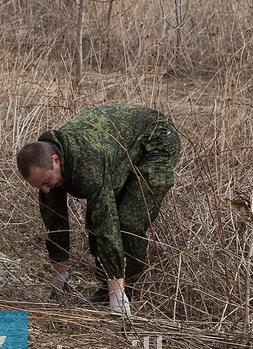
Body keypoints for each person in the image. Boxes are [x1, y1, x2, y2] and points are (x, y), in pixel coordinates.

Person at [16, 103, 182, 316]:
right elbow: (55, 222)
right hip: (118, 146)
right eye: (40, 186)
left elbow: (106, 224)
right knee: (98, 220)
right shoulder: (46, 167)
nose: (46, 190)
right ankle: (107, 288)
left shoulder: (87, 163)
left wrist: (118, 296)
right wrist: (59, 277)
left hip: (156, 141)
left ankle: (129, 292)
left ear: (55, 160)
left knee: (128, 221)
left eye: (47, 182)